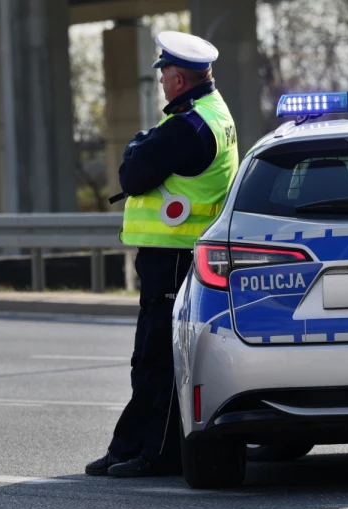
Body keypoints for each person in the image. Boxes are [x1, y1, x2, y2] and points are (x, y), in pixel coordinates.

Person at [86, 31, 240, 478]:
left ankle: (159, 454)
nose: (160, 81)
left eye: (164, 73)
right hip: (173, 256)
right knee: (150, 357)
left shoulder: (190, 126)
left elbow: (132, 175)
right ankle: (128, 445)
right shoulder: (212, 114)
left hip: (174, 255)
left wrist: (137, 145)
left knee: (159, 359)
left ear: (178, 78)